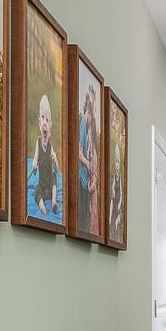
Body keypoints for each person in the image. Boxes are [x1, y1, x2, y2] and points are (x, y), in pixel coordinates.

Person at [28, 93, 62, 222]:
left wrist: (55, 160)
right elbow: (35, 159)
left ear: (50, 129)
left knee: (54, 177)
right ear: (39, 123)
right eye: (43, 118)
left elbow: (57, 170)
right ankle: (42, 205)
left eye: (47, 120)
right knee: (37, 190)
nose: (45, 123)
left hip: (50, 185)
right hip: (42, 184)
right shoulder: (38, 142)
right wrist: (34, 164)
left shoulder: (50, 147)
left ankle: (53, 201)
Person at [76, 87, 101, 233]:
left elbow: (96, 155)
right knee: (84, 216)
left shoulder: (93, 126)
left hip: (91, 181)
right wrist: (87, 163)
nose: (92, 105)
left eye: (93, 101)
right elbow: (79, 151)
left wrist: (95, 177)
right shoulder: (83, 123)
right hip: (83, 179)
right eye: (90, 101)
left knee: (91, 217)